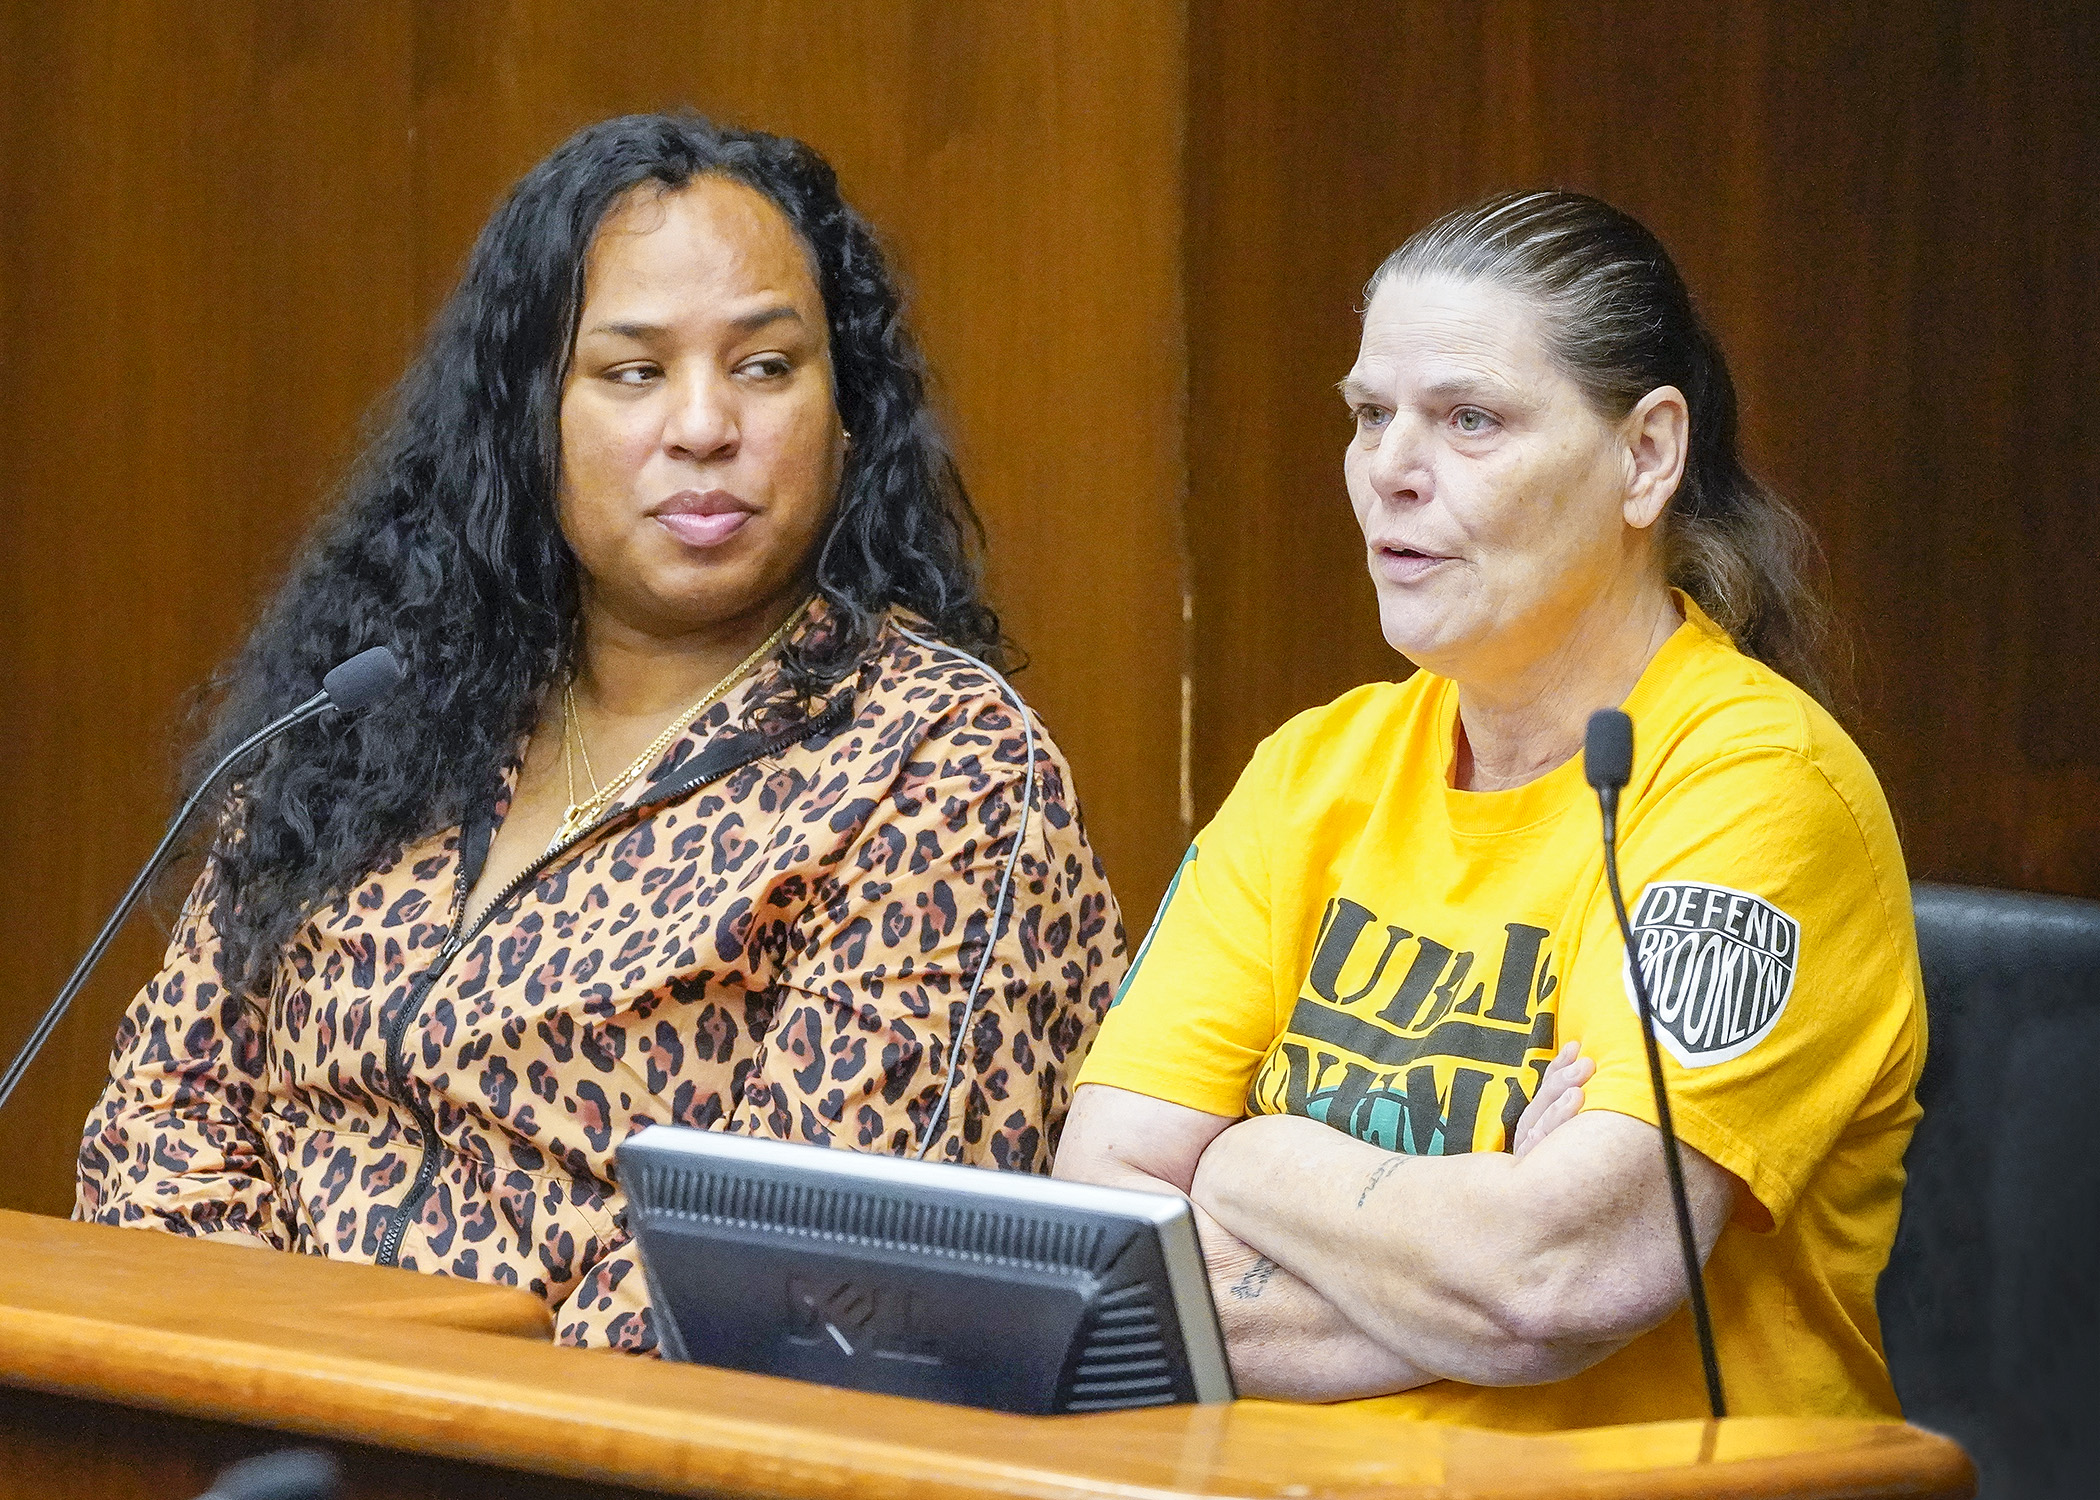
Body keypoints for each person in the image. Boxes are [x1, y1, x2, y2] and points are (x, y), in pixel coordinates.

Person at [75, 113, 1125, 1351]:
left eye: (766, 366)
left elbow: (784, 1282)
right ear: (531, 420)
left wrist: (434, 1432)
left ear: (850, 413)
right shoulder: (379, 703)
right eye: (633, 372)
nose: (701, 428)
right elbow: (165, 1114)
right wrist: (265, 1398)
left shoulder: (939, 765)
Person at [1055, 190, 1924, 1427]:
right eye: (1369, 415)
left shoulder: (1758, 787)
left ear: (1646, 456)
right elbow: (1105, 1238)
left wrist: (1251, 1161)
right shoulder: (1312, 769)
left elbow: (1560, 1275)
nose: (1389, 474)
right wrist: (1483, 1214)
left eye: (1469, 419)